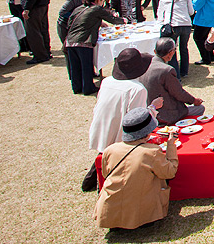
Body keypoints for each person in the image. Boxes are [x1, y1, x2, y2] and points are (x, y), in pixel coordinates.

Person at [85, 49, 159, 192]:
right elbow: (136, 119)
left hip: (103, 125)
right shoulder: (137, 89)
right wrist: (153, 107)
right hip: (121, 132)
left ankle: (94, 178)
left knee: (105, 153)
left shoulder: (106, 81)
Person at [94, 107, 179, 230]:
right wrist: (171, 146)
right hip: (141, 214)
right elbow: (170, 172)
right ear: (148, 132)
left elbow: (106, 174)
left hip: (109, 211)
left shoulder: (109, 150)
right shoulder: (151, 152)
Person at [65, 0, 124, 95]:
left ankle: (77, 87)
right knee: (86, 65)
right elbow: (112, 19)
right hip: (83, 41)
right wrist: (124, 20)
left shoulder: (79, 8)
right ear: (99, 0)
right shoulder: (96, 9)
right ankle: (88, 88)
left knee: (75, 66)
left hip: (70, 40)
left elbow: (71, 21)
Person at [138, 38, 205, 124]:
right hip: (166, 114)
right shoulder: (166, 70)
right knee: (200, 108)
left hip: (149, 109)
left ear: (155, 51)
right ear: (171, 53)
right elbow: (178, 93)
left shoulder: (145, 65)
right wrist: (194, 100)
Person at [156, 0, 194, 78]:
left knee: (171, 49)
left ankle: (175, 74)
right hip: (186, 24)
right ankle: (184, 71)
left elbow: (160, 16)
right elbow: (191, 11)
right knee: (184, 47)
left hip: (172, 25)